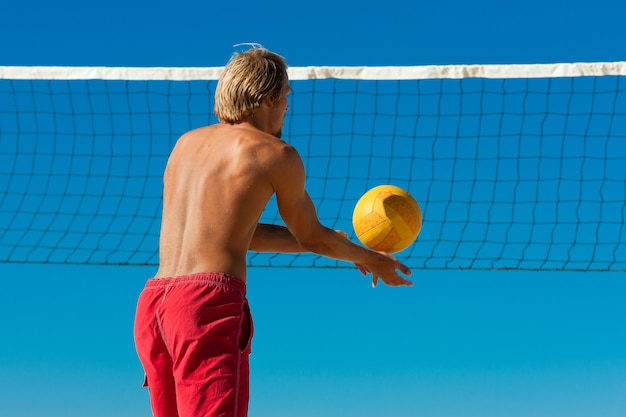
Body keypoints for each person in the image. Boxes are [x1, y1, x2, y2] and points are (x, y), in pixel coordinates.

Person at [134, 47, 413, 417]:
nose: (286, 109)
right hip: (206, 305)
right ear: (268, 97)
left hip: (154, 307)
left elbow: (242, 235)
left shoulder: (184, 145)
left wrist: (338, 244)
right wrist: (368, 258)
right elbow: (312, 236)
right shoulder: (276, 153)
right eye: (286, 98)